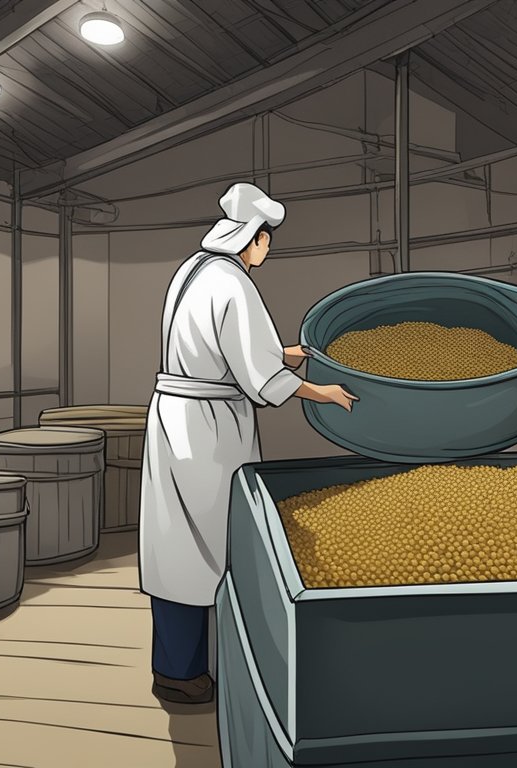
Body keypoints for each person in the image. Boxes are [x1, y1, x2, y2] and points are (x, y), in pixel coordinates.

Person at [138, 182, 357, 705]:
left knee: (176, 548)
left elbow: (215, 346)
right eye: (266, 241)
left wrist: (285, 351)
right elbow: (257, 377)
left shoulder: (191, 271)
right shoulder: (235, 283)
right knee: (217, 547)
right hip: (209, 429)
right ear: (254, 239)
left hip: (173, 418)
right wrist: (320, 391)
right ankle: (192, 673)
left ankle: (174, 666)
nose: (267, 251)